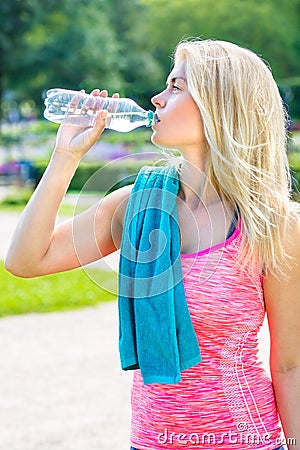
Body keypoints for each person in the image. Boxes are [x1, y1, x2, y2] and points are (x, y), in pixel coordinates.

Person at [5, 39, 300, 450]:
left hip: (245, 439)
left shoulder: (275, 225)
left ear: (220, 105)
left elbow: (290, 365)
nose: (157, 99)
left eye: (177, 87)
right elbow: (25, 260)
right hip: (151, 441)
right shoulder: (133, 206)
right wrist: (63, 157)